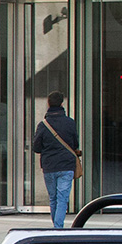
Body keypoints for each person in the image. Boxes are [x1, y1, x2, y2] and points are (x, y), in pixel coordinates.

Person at [32, 91, 80, 230]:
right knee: (62, 198)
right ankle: (58, 227)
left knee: (53, 198)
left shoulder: (43, 125)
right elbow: (75, 144)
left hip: (49, 166)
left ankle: (56, 227)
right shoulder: (70, 123)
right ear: (62, 104)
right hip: (66, 165)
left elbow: (36, 147)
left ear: (48, 103)